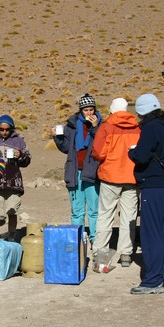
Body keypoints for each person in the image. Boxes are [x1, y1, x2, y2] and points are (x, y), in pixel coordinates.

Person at [127, 93, 164, 294]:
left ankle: (153, 280)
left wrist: (132, 152)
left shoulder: (150, 128)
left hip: (153, 186)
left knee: (151, 234)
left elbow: (141, 155)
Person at [91, 97, 140, 268]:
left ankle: (100, 251)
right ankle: (126, 253)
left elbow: (98, 152)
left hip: (110, 176)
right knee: (129, 216)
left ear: (112, 110)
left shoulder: (106, 127)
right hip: (132, 177)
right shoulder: (137, 128)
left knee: (105, 214)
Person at [52, 93, 102, 246]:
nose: (89, 113)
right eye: (86, 110)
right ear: (80, 110)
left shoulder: (101, 125)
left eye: (91, 109)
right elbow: (66, 148)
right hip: (76, 171)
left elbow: (101, 144)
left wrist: (94, 128)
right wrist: (57, 138)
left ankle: (95, 239)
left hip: (92, 171)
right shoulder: (72, 126)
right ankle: (78, 239)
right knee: (77, 209)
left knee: (94, 209)